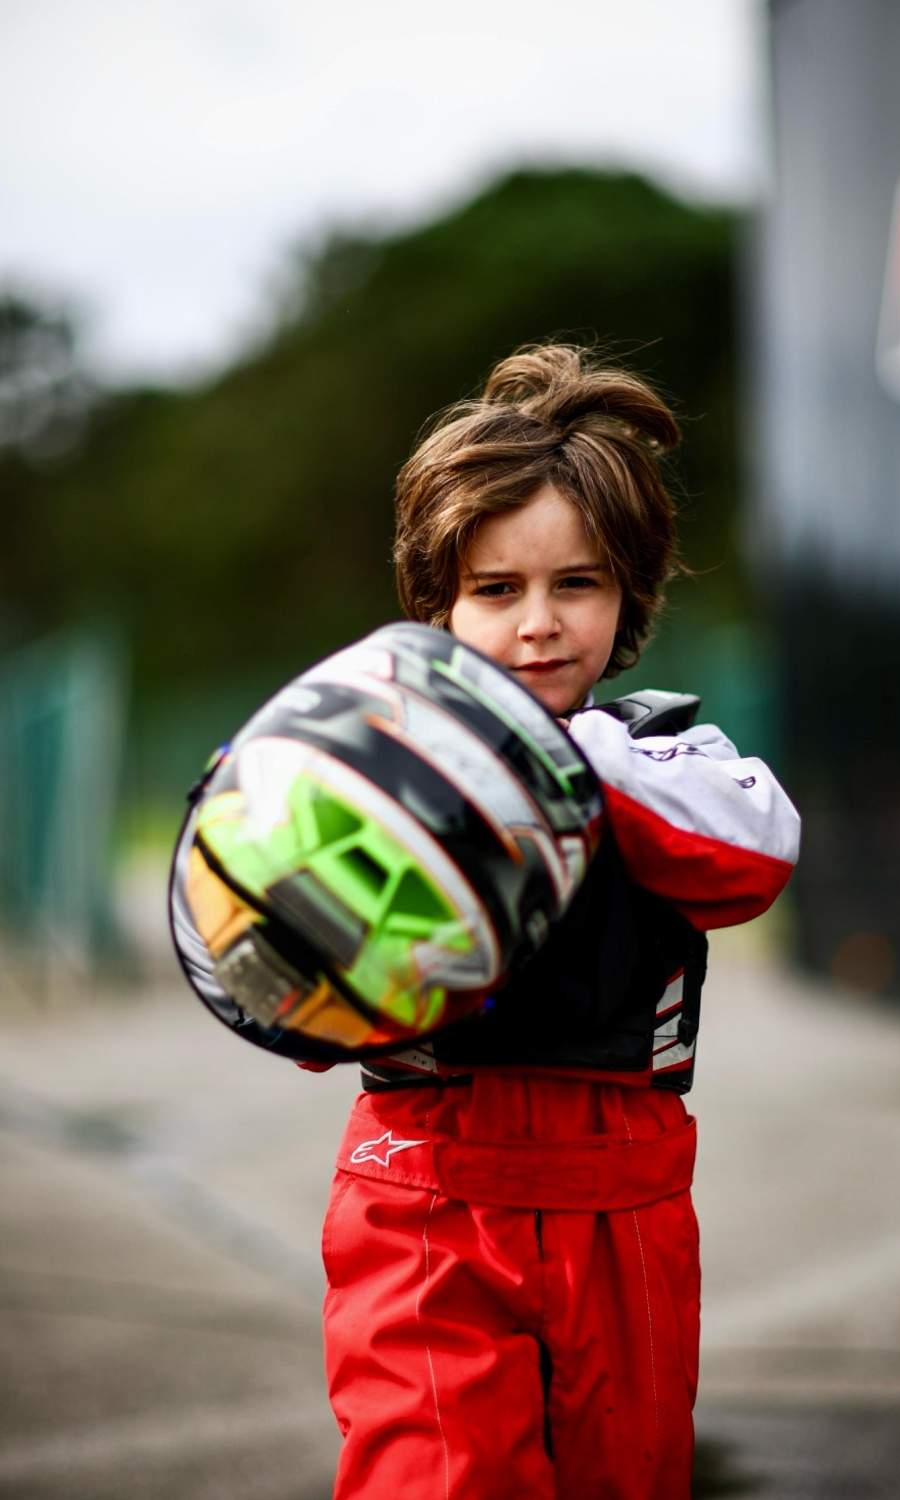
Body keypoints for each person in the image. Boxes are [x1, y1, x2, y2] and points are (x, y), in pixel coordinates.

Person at [318, 343, 800, 1499]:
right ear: (437, 604)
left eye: (574, 583)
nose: (538, 624)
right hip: (425, 1198)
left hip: (623, 1211)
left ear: (628, 594)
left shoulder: (669, 757)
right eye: (496, 590)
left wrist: (568, 764)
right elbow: (290, 971)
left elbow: (755, 858)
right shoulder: (375, 769)